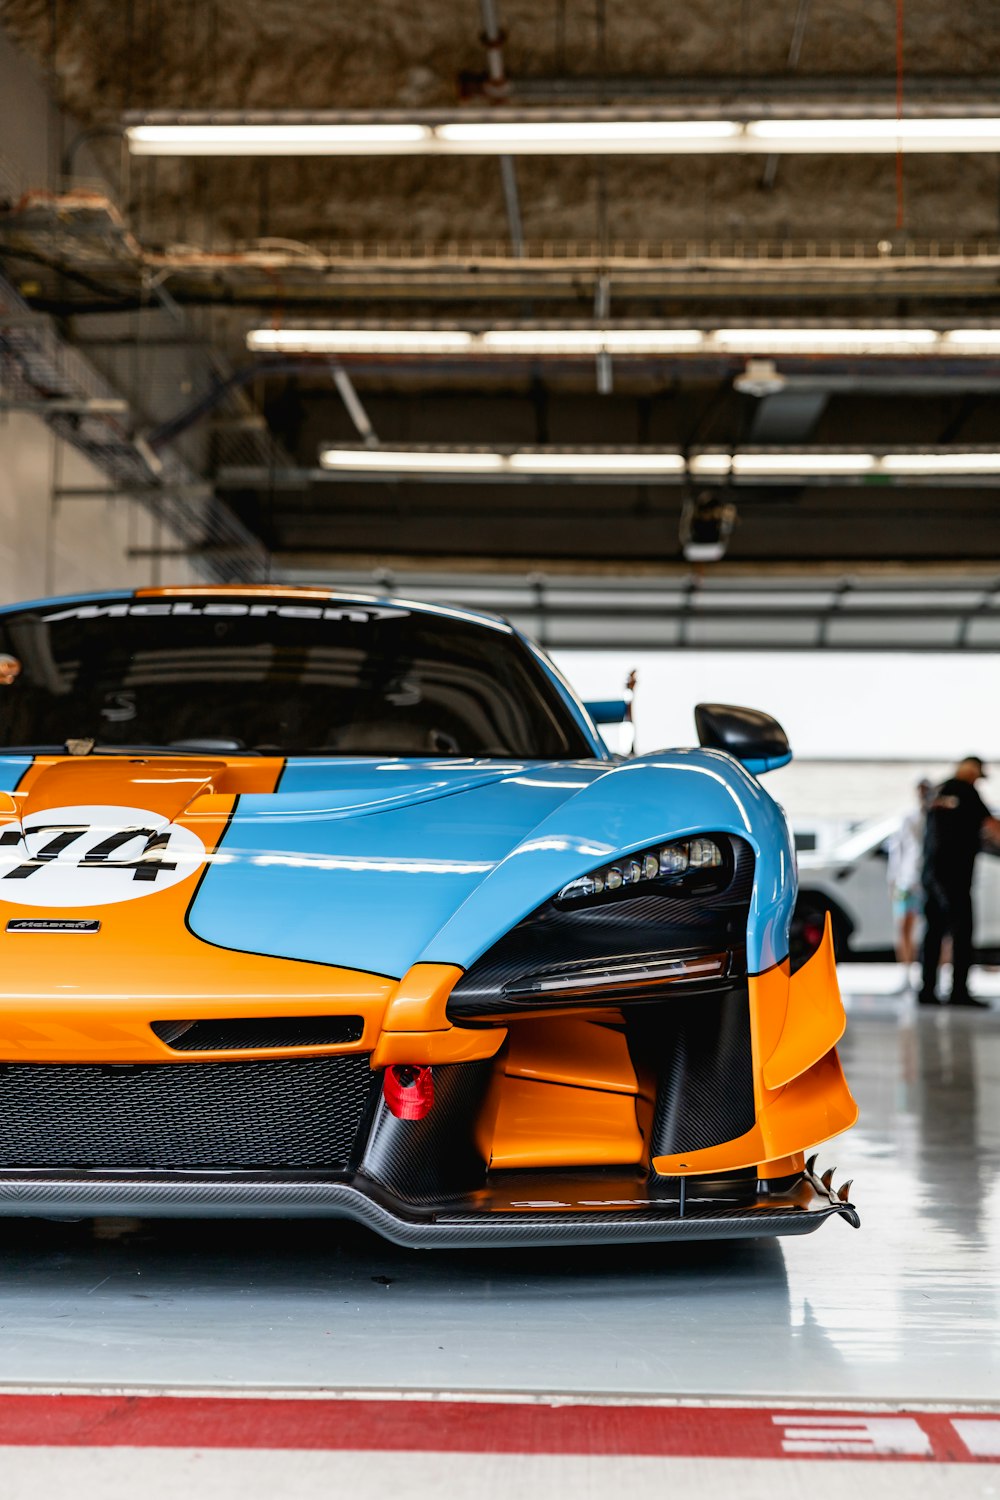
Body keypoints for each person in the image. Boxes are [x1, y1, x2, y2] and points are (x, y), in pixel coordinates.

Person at [920, 757, 1000, 1008]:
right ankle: (959, 992)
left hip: (931, 872)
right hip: (954, 874)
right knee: (962, 930)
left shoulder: (938, 790)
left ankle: (927, 991)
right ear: (972, 771)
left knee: (933, 931)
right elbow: (992, 827)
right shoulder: (967, 791)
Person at [888, 779, 931, 978]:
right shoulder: (909, 819)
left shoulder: (935, 816)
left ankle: (933, 973)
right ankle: (906, 972)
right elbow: (898, 851)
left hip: (930, 881)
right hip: (907, 880)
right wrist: (894, 879)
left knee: (934, 928)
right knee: (904, 926)